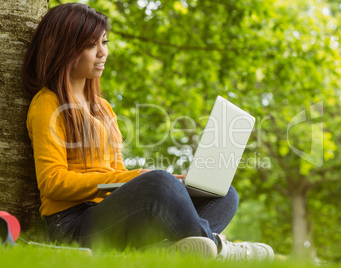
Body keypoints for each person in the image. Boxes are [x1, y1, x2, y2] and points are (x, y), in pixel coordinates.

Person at [22, 3, 274, 261]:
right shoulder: (47, 103)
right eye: (91, 45)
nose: (102, 52)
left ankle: (171, 248)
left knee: (223, 193)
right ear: (65, 49)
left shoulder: (103, 108)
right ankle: (218, 248)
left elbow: (115, 171)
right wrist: (144, 180)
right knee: (159, 181)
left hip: (112, 214)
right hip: (72, 224)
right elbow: (51, 182)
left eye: (105, 42)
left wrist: (174, 184)